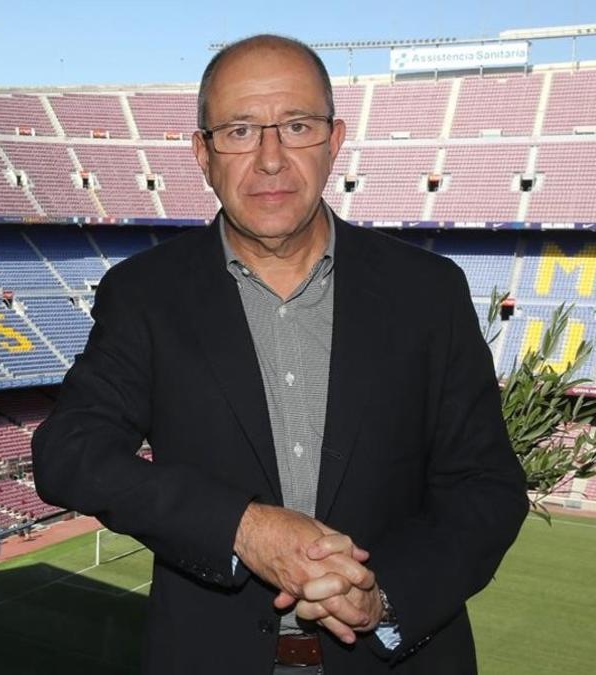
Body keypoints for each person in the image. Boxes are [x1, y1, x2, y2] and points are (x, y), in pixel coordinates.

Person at [31, 33, 528, 675]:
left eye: (296, 126)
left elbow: (485, 487)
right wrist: (242, 529)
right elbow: (68, 451)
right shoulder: (144, 295)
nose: (270, 159)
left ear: (334, 141)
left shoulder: (428, 292)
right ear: (202, 154)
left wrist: (383, 597)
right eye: (239, 131)